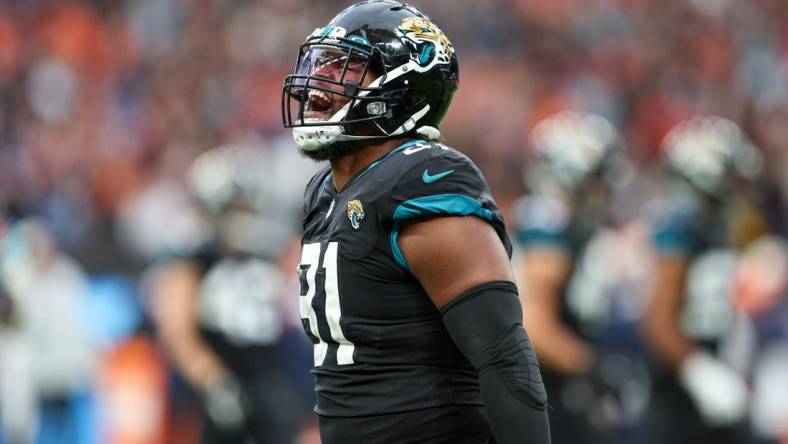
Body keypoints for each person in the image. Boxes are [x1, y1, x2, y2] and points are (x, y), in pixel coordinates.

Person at [281, 2, 550, 443]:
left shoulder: (421, 179)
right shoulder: (323, 192)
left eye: (344, 69)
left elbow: (504, 355)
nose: (316, 84)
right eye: (320, 63)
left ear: (402, 90)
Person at [149, 144, 308, 444]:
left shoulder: (269, 249)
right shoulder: (191, 254)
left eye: (248, 205)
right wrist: (213, 381)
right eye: (237, 206)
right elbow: (177, 331)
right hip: (214, 382)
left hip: (268, 377)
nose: (245, 214)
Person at [513, 111, 652, 444]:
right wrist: (592, 366)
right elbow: (535, 326)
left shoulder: (559, 224)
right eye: (596, 180)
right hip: (534, 387)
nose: (603, 191)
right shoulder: (548, 222)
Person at [641, 115, 765, 444]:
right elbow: (658, 320)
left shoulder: (713, 224)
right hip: (677, 392)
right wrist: (701, 372)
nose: (737, 189)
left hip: (707, 376)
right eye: (730, 178)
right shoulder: (681, 225)